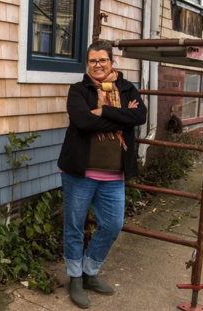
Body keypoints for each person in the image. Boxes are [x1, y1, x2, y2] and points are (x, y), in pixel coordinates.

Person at [57, 40, 147, 309]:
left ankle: (89, 271)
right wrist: (122, 115)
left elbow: (140, 115)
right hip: (80, 172)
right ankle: (74, 278)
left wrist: (104, 110)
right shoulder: (78, 90)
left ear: (111, 62)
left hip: (113, 173)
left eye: (102, 60)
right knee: (74, 226)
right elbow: (83, 121)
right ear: (88, 64)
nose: (97, 65)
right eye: (93, 61)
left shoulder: (127, 88)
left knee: (112, 225)